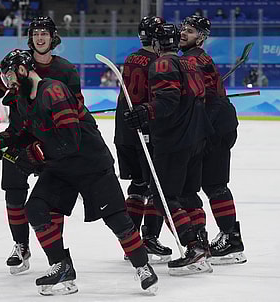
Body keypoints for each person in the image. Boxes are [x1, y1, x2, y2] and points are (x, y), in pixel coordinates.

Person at [0, 49, 158, 295]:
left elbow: (70, 140)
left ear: (24, 71)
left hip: (90, 164)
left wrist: (32, 156)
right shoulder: (24, 99)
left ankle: (143, 266)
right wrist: (2, 141)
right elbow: (24, 131)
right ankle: (62, 266)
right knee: (36, 208)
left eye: (10, 77)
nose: (9, 84)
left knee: (116, 220)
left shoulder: (53, 91)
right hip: (60, 167)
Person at [0, 16, 84, 274]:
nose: (40, 37)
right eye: (36, 33)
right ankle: (21, 245)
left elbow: (77, 108)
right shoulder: (15, 62)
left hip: (52, 143)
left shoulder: (66, 70)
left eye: (45, 33)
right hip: (18, 138)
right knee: (14, 193)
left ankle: (56, 253)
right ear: (30, 37)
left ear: (53, 37)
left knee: (53, 200)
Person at [123, 19, 214, 275]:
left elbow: (168, 101)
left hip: (175, 141)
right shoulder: (190, 62)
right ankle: (202, 245)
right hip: (197, 138)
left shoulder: (163, 63)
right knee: (188, 195)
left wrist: (144, 110)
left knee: (164, 196)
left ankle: (193, 247)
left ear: (156, 43)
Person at [179, 15, 247, 265]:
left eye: (190, 31)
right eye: (183, 29)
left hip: (215, 125)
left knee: (214, 183)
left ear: (202, 37)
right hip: (218, 121)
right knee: (212, 183)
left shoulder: (191, 59)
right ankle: (230, 238)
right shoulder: (196, 58)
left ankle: (231, 240)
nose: (184, 33)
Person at [114, 16, 172, 264]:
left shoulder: (130, 59)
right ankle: (149, 239)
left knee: (137, 186)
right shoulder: (158, 62)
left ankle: (131, 243)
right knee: (154, 186)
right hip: (144, 130)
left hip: (123, 131)